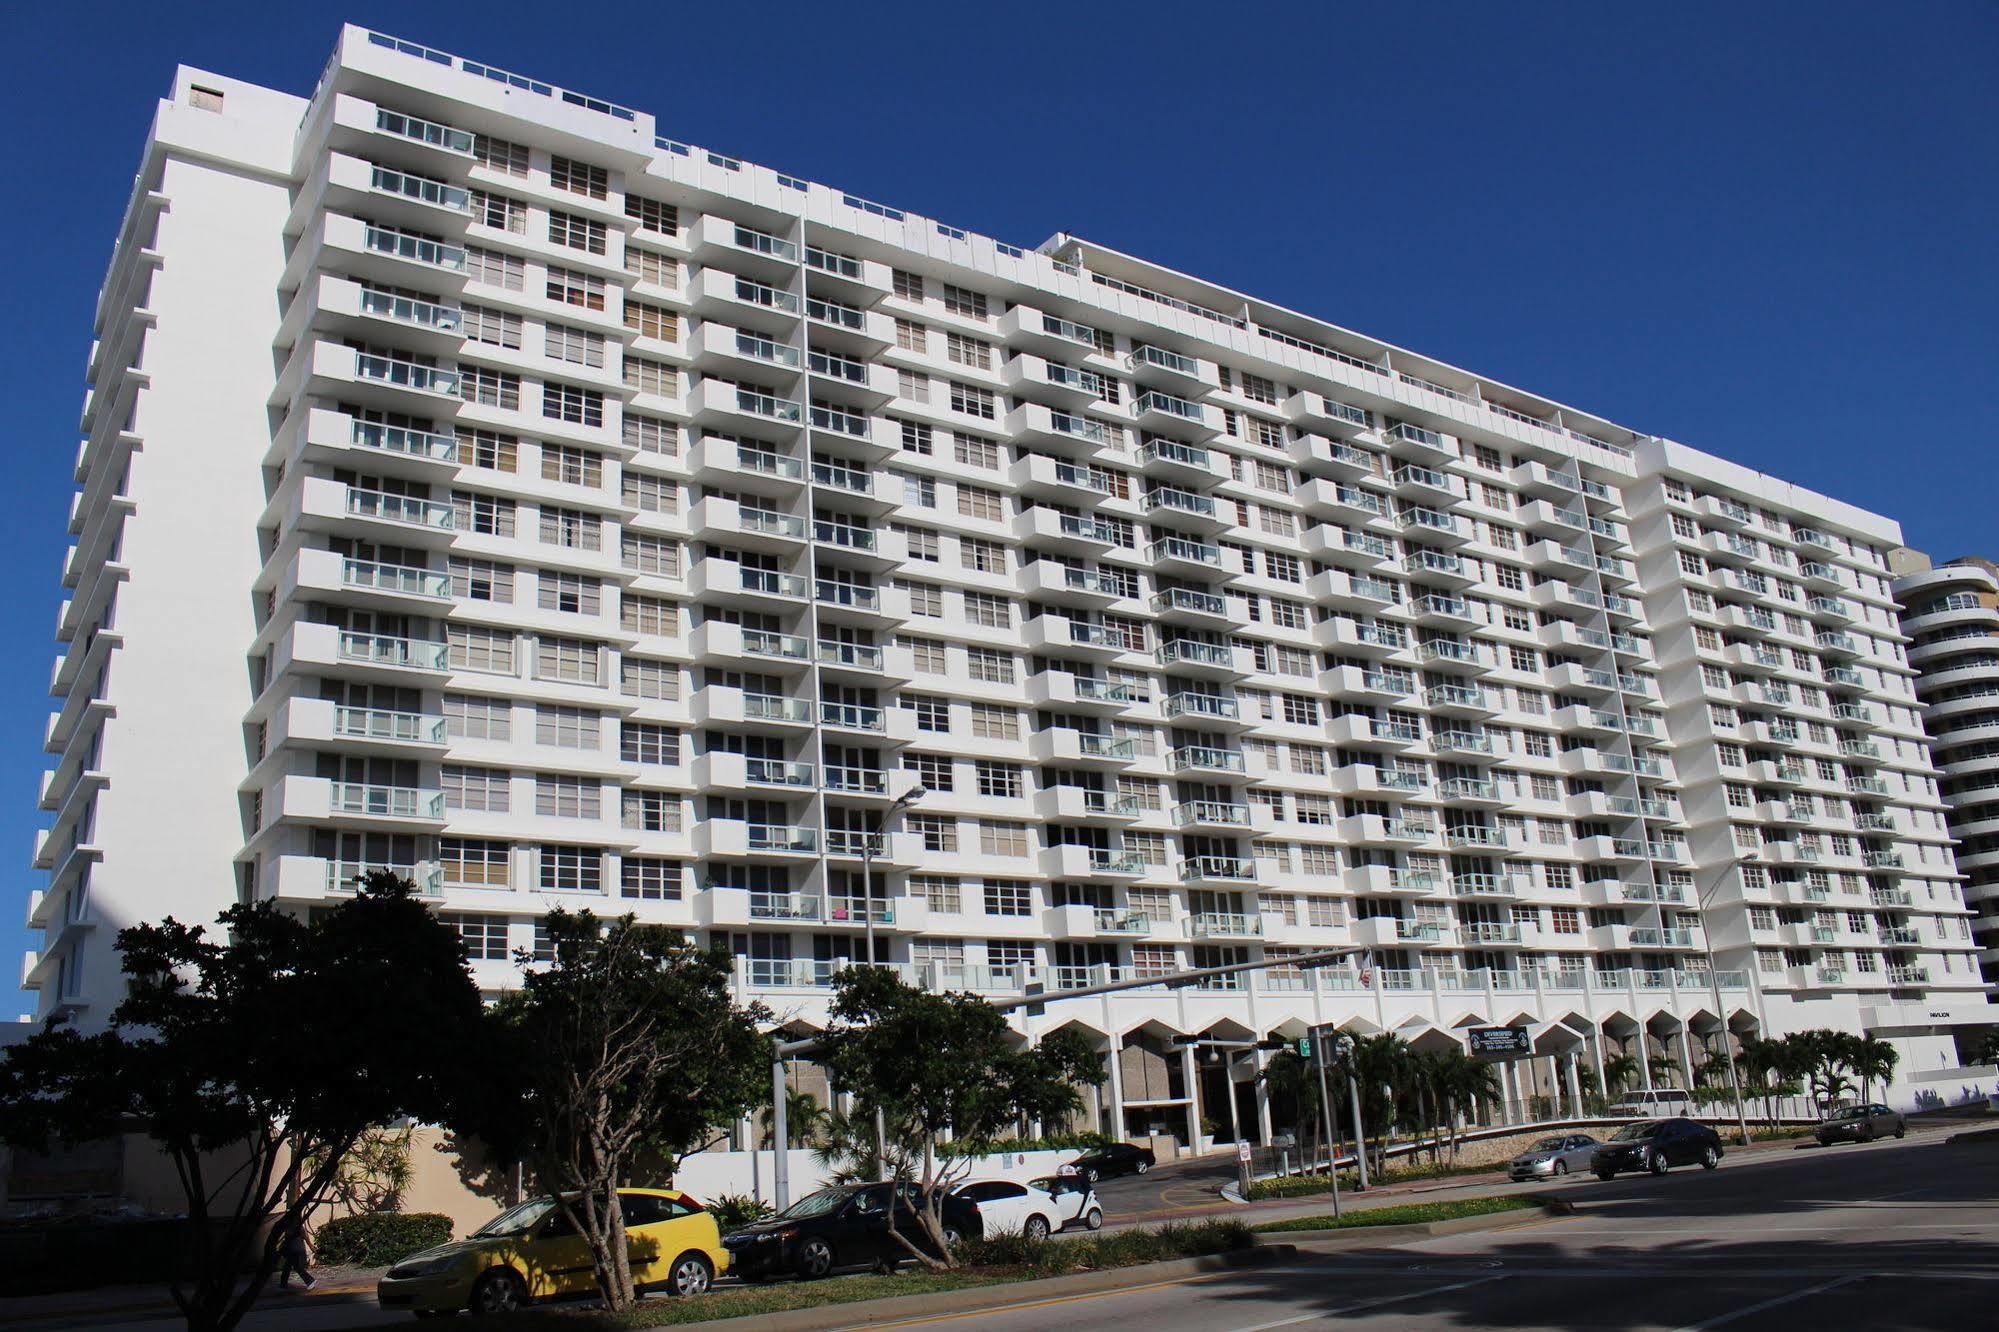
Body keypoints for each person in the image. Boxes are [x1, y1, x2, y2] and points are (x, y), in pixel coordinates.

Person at [278, 1216, 316, 1291]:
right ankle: (283, 1284)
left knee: (297, 1267)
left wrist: (310, 1246)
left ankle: (310, 1281)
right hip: (292, 1250)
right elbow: (287, 1239)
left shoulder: (297, 1227)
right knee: (287, 1267)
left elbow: (305, 1236)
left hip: (297, 1250)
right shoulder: (289, 1227)